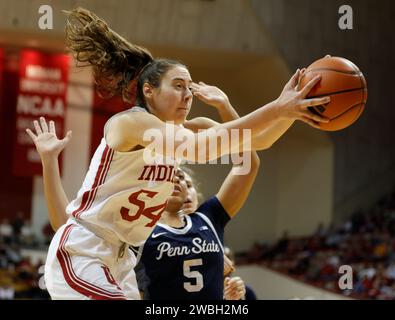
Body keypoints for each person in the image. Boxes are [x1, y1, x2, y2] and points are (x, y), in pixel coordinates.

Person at [26, 7, 330, 300]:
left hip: (120, 260)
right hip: (83, 249)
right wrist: (277, 108)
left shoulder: (186, 129)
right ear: (149, 91)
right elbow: (198, 148)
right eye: (178, 85)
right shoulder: (129, 123)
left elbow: (257, 143)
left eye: (189, 87)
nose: (187, 94)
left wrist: (294, 110)